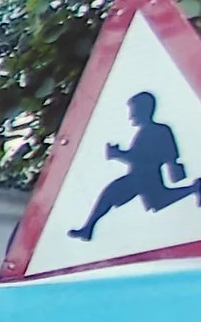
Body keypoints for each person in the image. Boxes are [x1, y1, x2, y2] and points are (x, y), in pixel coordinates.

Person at [70, 91, 194, 241]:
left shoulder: (153, 131)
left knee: (112, 194)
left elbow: (144, 158)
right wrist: (120, 154)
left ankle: (88, 228)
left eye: (133, 112)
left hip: (144, 178)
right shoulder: (151, 131)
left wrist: (118, 154)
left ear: (143, 110)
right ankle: (88, 228)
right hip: (143, 177)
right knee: (158, 201)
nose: (130, 116)